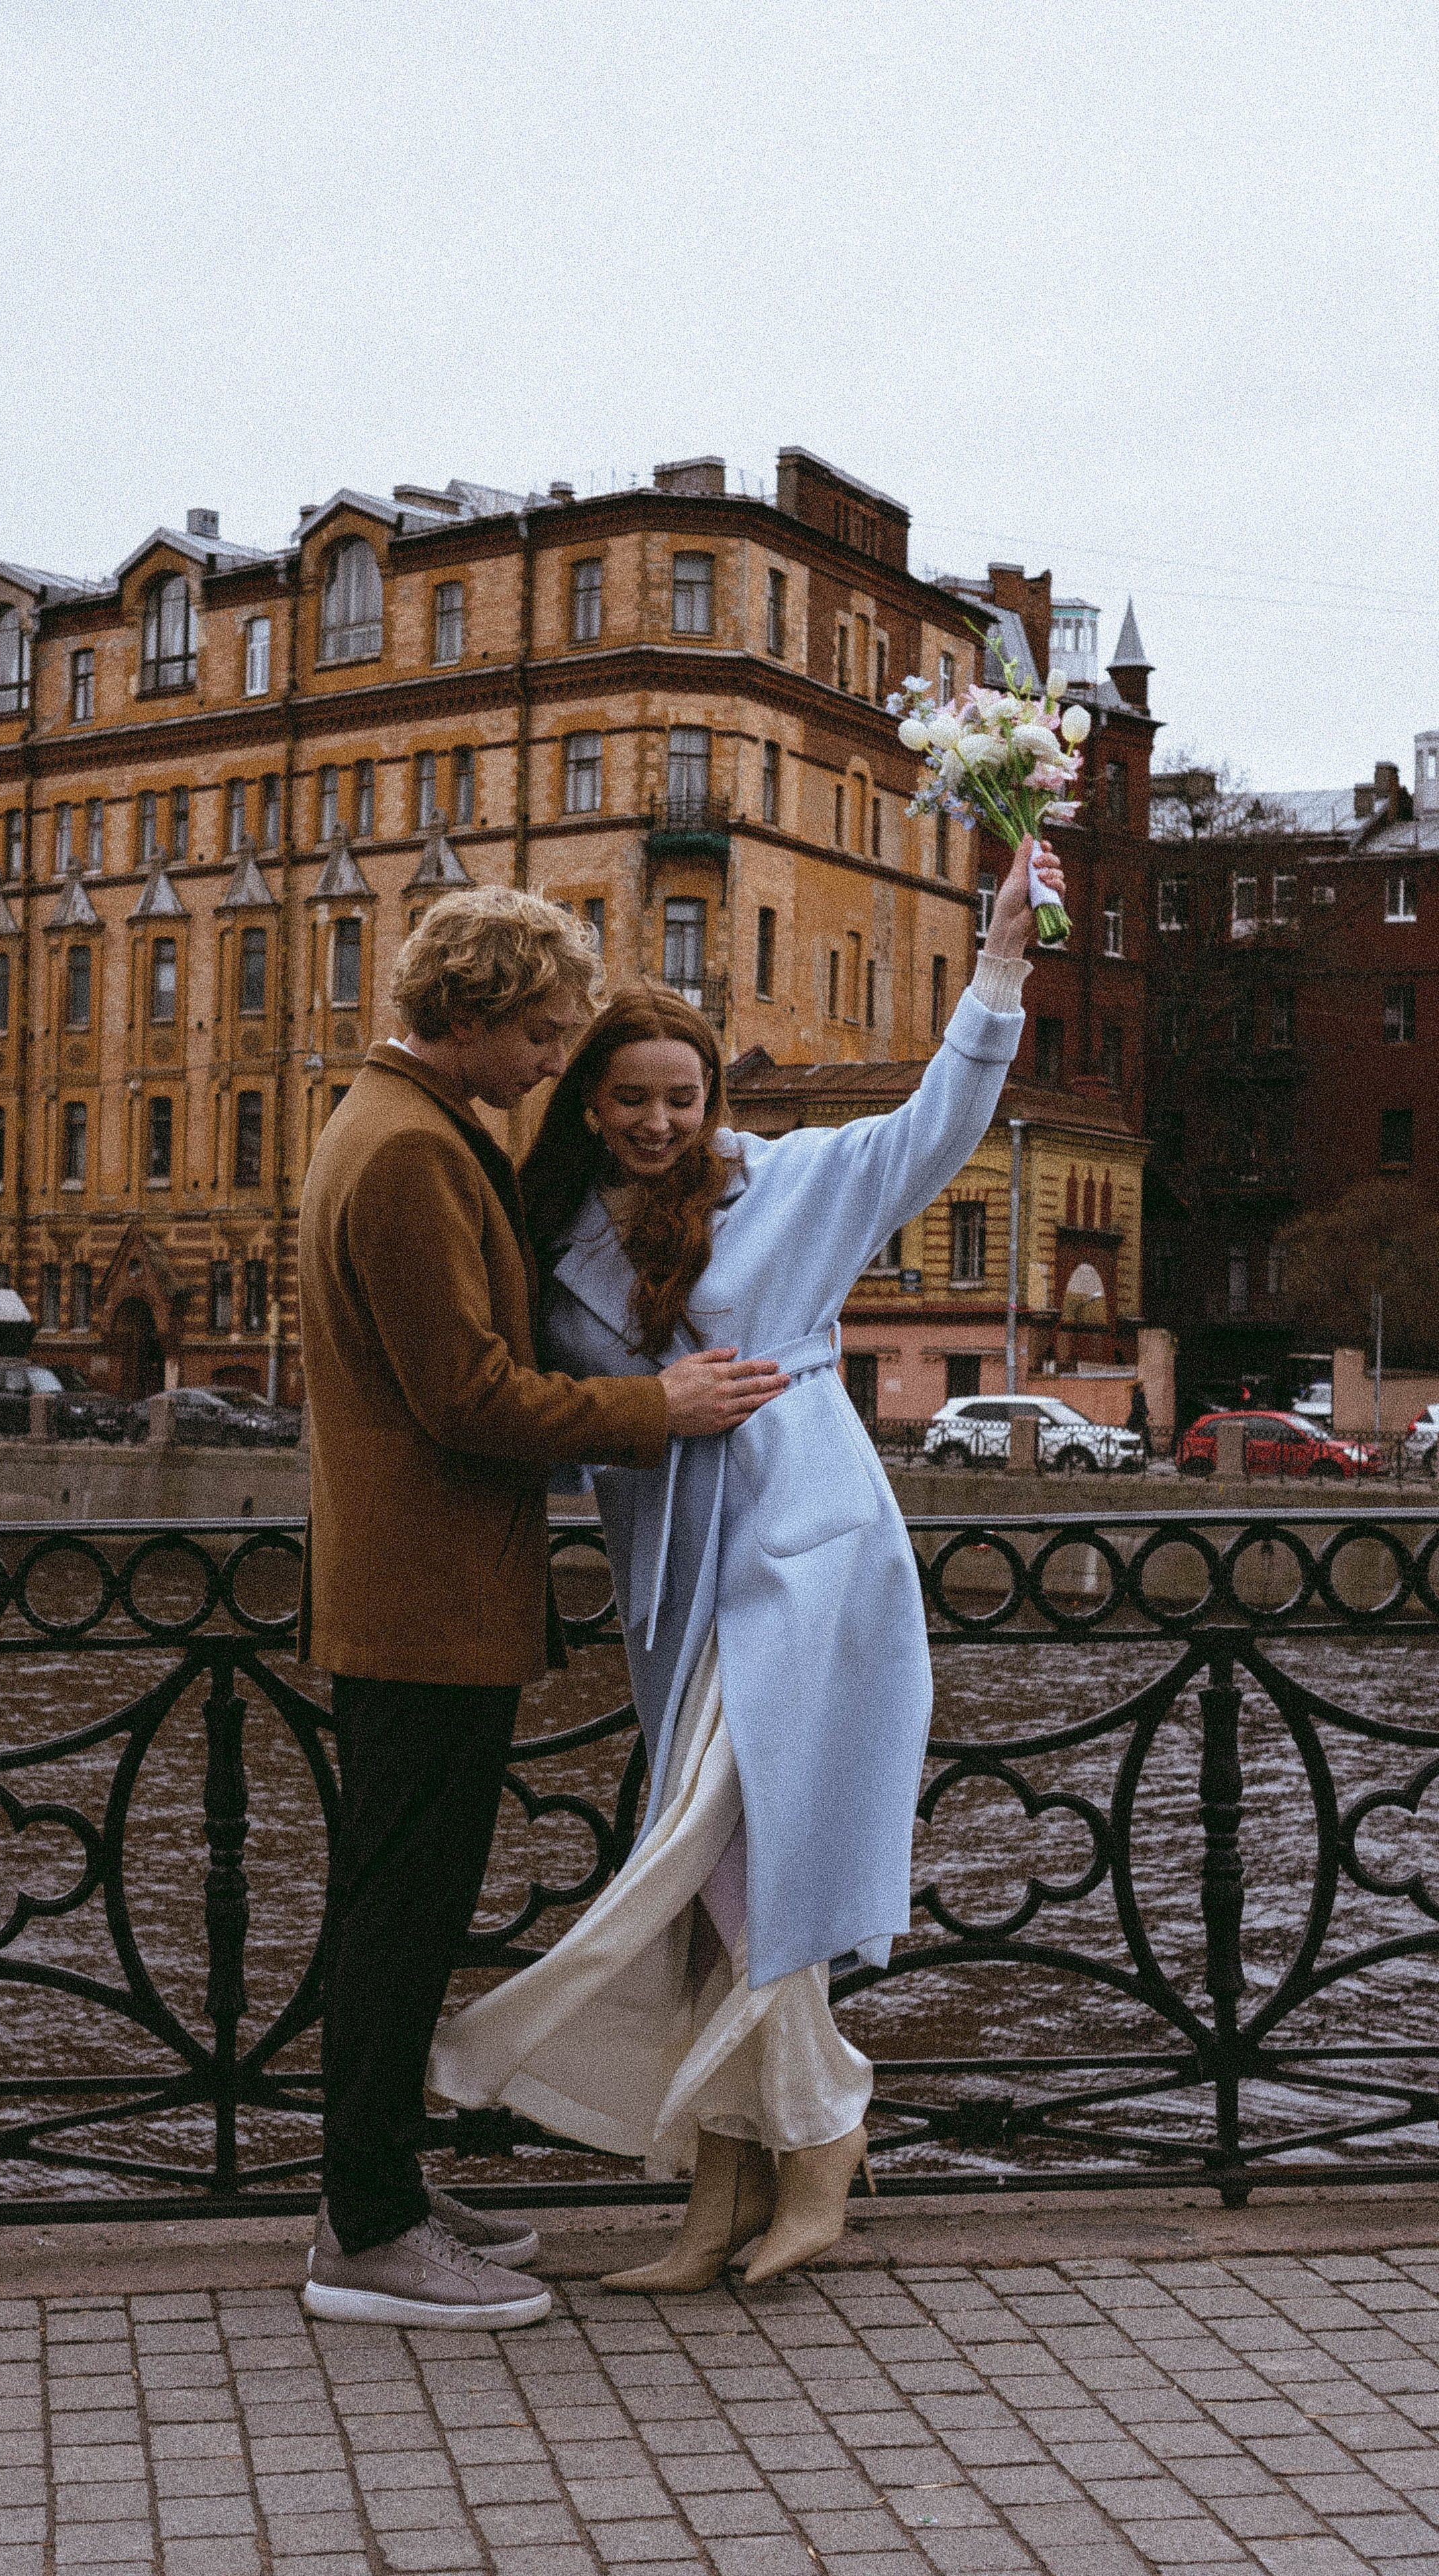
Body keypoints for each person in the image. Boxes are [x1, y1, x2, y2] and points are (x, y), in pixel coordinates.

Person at [430, 837, 1061, 2288]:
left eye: (681, 1098)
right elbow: (542, 1406)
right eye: (629, 1097)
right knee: (725, 1885)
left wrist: (999, 969)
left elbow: (930, 1127)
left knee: (729, 1874)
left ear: (715, 1101)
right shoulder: (562, 1236)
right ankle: (719, 2203)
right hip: (675, 1587)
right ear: (589, 1103)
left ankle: (822, 2135)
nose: (658, 1123)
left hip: (798, 1556)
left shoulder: (786, 1189)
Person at [297, 885, 788, 2330]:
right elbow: (466, 1397)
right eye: (539, 1029)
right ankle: (367, 2235)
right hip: (420, 1603)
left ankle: (371, 2185)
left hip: (420, 1596)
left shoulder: (411, 1128)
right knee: (396, 1915)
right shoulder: (405, 1153)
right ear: (467, 1015)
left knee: (405, 1902)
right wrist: (660, 1406)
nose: (551, 1057)